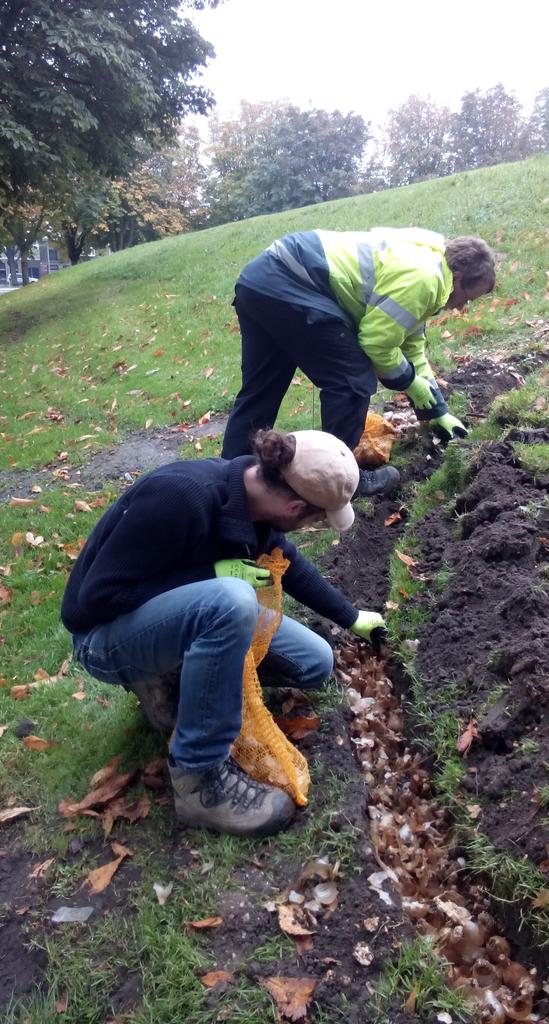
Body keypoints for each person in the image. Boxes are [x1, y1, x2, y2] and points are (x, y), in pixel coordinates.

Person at [61, 429, 387, 838]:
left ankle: (184, 680)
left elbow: (288, 561)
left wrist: (352, 617)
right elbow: (96, 598)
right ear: (294, 505)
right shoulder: (180, 497)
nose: (316, 525)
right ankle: (199, 779)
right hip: (105, 637)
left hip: (182, 615)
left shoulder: (255, 499)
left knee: (314, 662)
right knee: (232, 601)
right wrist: (208, 575)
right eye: (318, 518)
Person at [221, 227, 496, 494]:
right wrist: (410, 383)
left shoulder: (431, 260)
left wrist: (437, 410)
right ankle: (341, 478)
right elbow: (376, 345)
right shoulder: (423, 280)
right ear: (458, 276)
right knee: (351, 378)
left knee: (261, 390)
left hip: (260, 279)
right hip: (292, 282)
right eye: (466, 298)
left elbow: (412, 346)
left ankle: (228, 482)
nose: (461, 307)